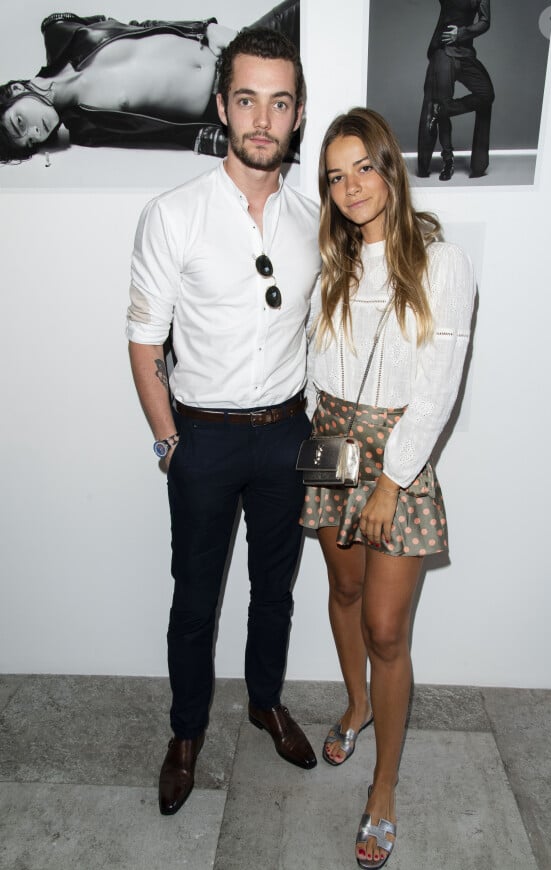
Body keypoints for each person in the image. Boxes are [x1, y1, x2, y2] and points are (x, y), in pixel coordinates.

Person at [126, 25, 320, 816]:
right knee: (193, 600)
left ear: (298, 113)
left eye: (279, 102)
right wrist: (172, 444)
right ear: (222, 106)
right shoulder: (172, 214)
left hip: (286, 434)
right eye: (248, 100)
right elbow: (144, 343)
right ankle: (184, 736)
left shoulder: (316, 221)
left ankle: (265, 703)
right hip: (200, 436)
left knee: (274, 591)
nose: (262, 119)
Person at [301, 107, 475, 868]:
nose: (351, 188)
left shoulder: (442, 263)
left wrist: (392, 479)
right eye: (336, 177)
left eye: (362, 168)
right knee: (341, 594)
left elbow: (438, 387)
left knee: (385, 629)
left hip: (396, 456)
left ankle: (384, 786)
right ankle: (358, 703)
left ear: (390, 168)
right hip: (331, 445)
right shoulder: (332, 263)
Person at [0, 1, 299, 162]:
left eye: (20, 124)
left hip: (239, 47)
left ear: (15, 90)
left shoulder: (60, 29)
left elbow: (140, 29)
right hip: (243, 105)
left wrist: (207, 28)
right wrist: (236, 144)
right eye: (30, 142)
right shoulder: (86, 129)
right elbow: (163, 137)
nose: (36, 133)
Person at [417, 0, 494, 180]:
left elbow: (485, 21)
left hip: (465, 52)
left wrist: (461, 33)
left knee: (487, 94)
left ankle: (440, 111)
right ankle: (448, 160)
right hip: (443, 51)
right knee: (442, 98)